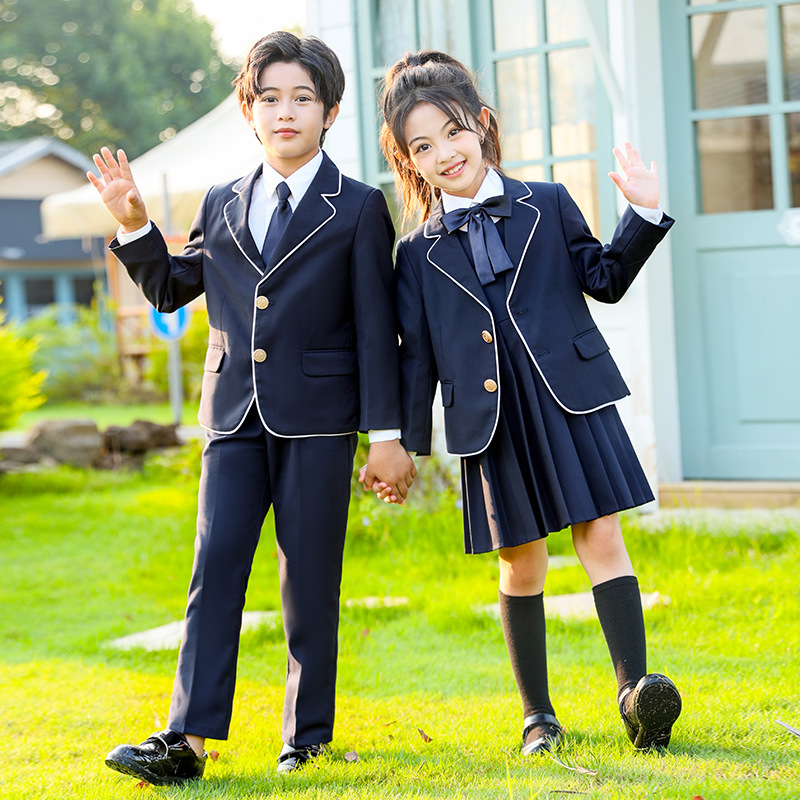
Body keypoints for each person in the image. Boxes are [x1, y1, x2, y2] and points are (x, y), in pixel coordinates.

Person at [88, 31, 415, 786]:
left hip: (320, 422)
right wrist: (134, 223)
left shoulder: (360, 207)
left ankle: (306, 735)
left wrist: (387, 436)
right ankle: (188, 739)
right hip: (232, 417)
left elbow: (377, 329)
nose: (285, 111)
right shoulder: (222, 200)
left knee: (309, 581)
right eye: (270, 98)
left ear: (330, 111)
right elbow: (174, 288)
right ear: (249, 108)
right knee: (216, 570)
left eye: (303, 98)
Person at [373, 50, 682, 755]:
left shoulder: (547, 201)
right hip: (493, 424)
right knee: (522, 563)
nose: (444, 152)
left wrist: (642, 210)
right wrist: (402, 445)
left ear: (482, 125)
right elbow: (415, 358)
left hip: (571, 399)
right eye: (422, 146)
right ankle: (537, 716)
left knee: (603, 537)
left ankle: (636, 695)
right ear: (408, 161)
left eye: (453, 132)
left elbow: (603, 279)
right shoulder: (417, 254)